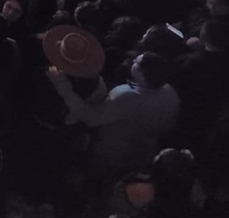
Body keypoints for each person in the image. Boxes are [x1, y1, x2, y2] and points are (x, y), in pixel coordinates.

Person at [48, 51, 180, 176]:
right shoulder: (171, 93)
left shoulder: (125, 96)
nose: (133, 60)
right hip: (144, 151)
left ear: (142, 73)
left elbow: (90, 117)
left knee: (99, 177)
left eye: (136, 62)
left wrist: (63, 86)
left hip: (112, 152)